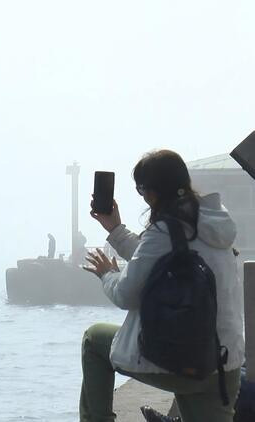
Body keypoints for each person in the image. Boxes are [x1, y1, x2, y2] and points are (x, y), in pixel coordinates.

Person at [80, 149, 244, 422]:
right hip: (223, 364)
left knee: (94, 340)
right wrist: (116, 230)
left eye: (141, 190)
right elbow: (164, 261)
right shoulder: (215, 221)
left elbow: (125, 294)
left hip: (177, 361)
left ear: (152, 193)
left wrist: (107, 274)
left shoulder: (164, 229)